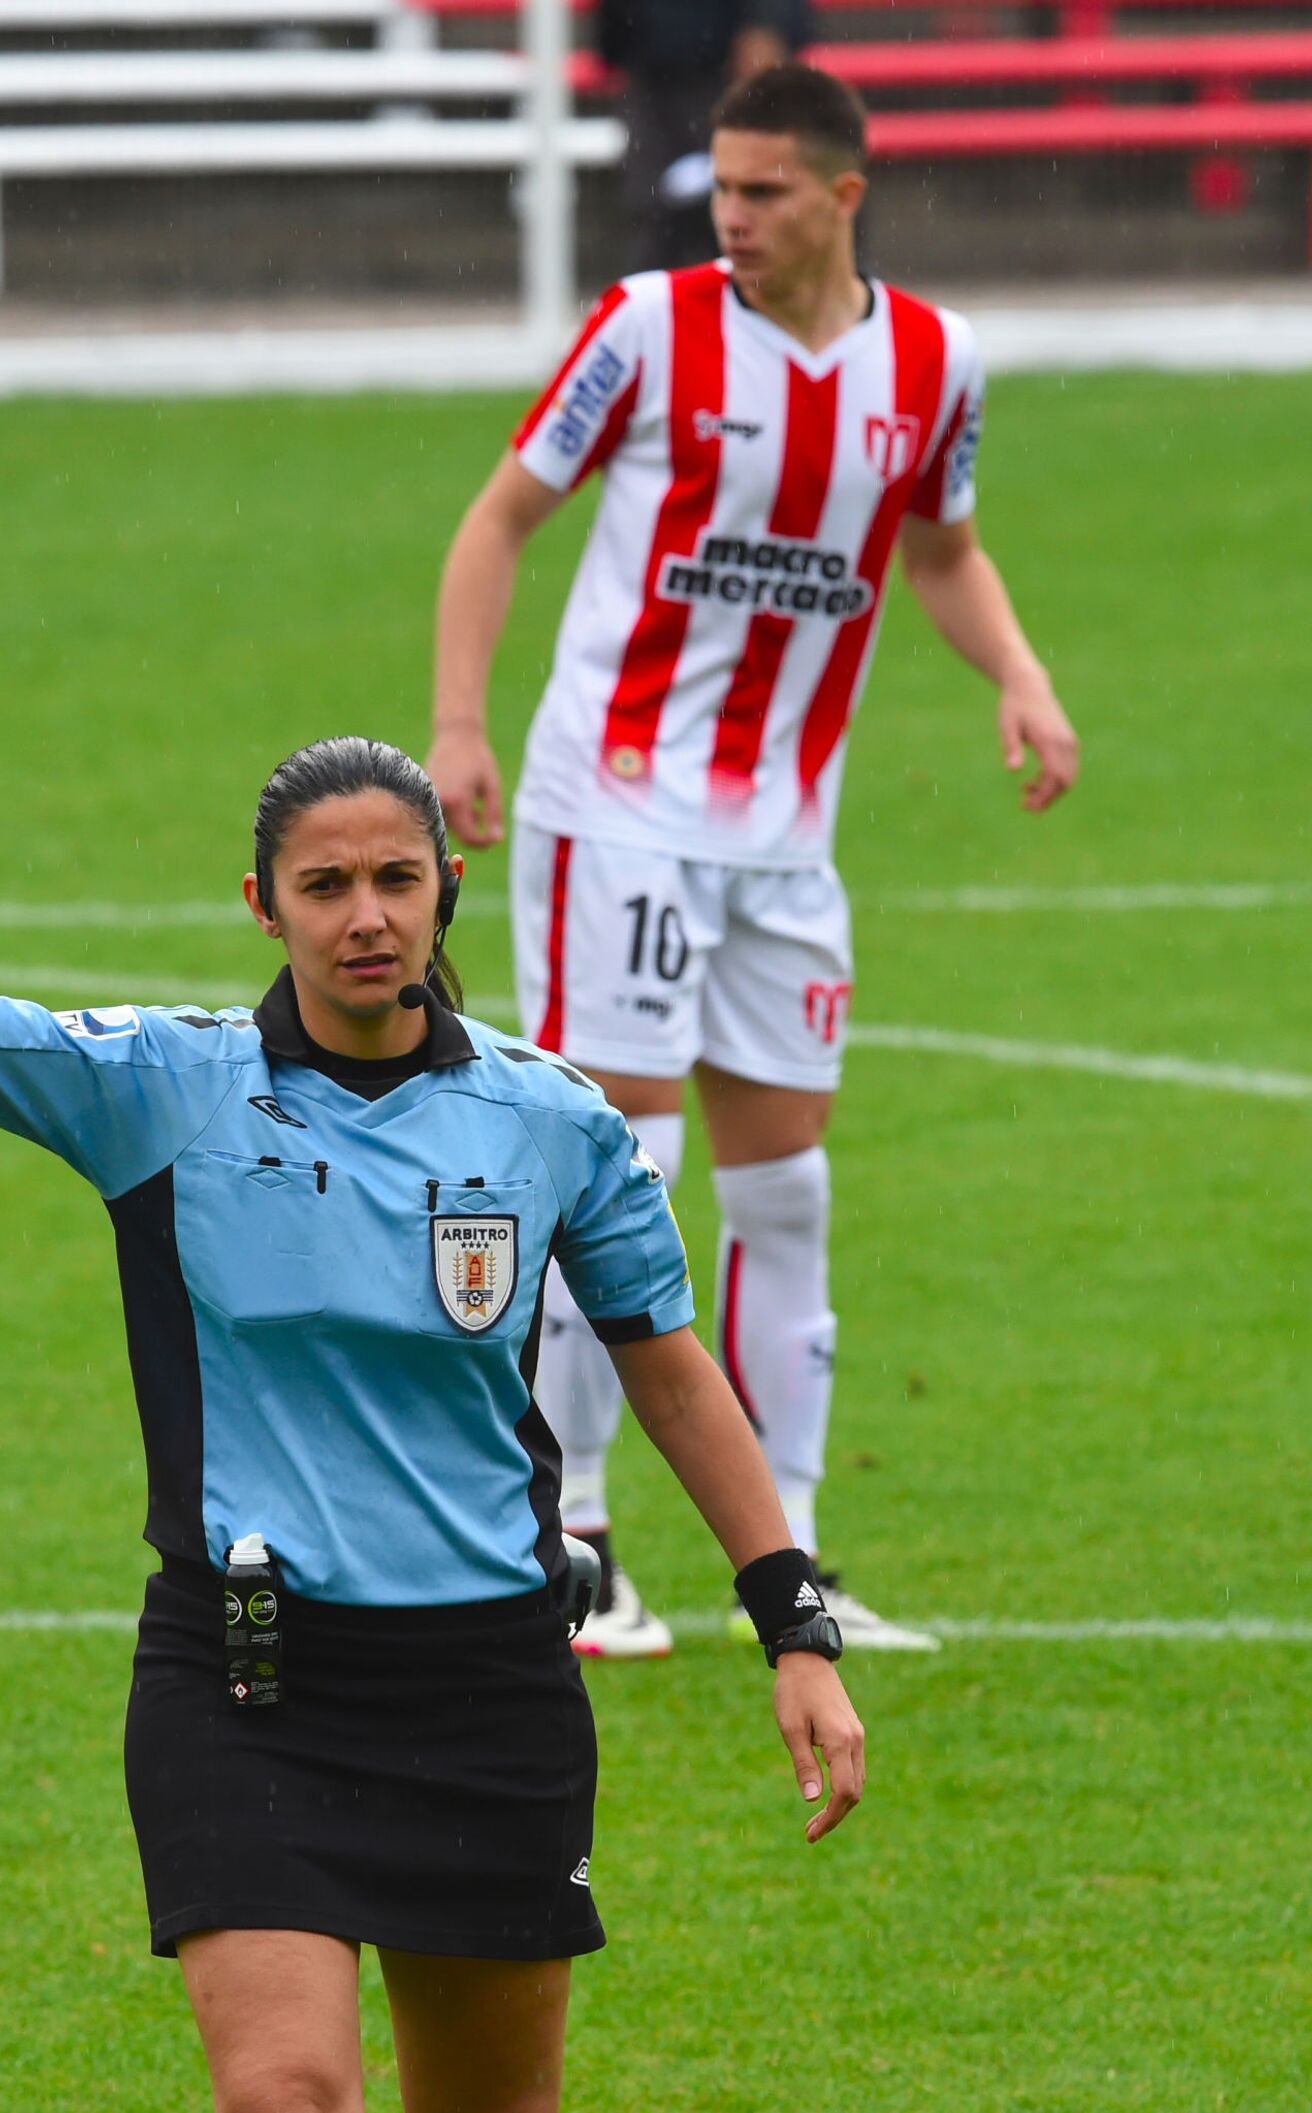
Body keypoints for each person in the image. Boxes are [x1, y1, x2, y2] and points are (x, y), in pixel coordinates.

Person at [0, 720, 864, 2113]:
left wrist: (790, 1621)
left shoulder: (554, 1121)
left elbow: (669, 1372)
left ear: (447, 887)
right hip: (251, 1685)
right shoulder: (162, 1090)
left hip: (489, 1686)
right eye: (323, 885)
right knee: (285, 2088)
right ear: (262, 905)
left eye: (395, 880)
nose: (364, 917)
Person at [428, 63, 1079, 1660]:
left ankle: (788, 1562)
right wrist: (462, 723)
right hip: (618, 805)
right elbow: (500, 518)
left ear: (845, 195)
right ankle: (574, 1543)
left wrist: (1019, 671)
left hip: (786, 842)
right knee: (623, 1177)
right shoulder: (648, 327)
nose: (734, 214)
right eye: (722, 186)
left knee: (786, 1193)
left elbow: (941, 548)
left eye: (766, 190)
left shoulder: (934, 361)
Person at [597, 0, 811, 275]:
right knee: (655, 217)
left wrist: (768, 23)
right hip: (652, 66)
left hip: (727, 66)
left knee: (744, 215)